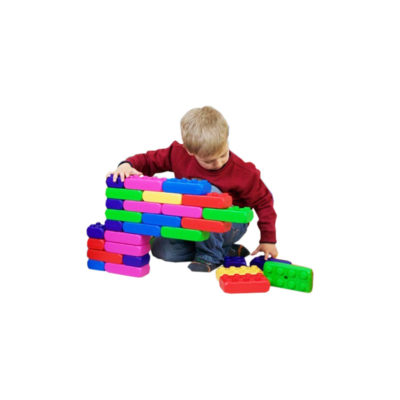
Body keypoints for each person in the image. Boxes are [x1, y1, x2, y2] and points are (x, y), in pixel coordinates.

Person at [108, 106, 278, 272]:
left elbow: (264, 202)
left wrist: (268, 239)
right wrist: (127, 165)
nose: (218, 163)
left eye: (223, 154)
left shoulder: (243, 172)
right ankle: (225, 251)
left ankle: (210, 255)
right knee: (162, 250)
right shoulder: (178, 153)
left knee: (208, 194)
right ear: (189, 151)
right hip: (190, 221)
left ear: (227, 139)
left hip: (229, 225)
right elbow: (149, 160)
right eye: (209, 161)